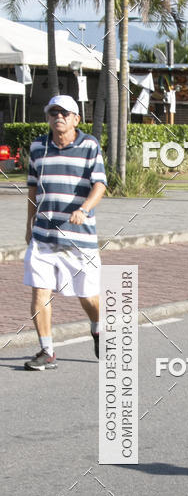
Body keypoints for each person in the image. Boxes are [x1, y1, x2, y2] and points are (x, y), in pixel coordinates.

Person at [24, 95, 107, 370]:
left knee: (88, 296)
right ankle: (47, 351)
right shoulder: (38, 147)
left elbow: (99, 186)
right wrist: (28, 226)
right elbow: (33, 189)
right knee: (40, 292)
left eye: (64, 112)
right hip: (43, 236)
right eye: (53, 112)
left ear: (76, 119)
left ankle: (97, 327)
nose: (58, 117)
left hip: (78, 236)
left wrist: (84, 208)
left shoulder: (89, 145)